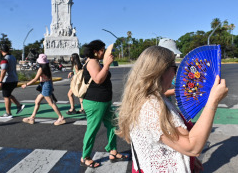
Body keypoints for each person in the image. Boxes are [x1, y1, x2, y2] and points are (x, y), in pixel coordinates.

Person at [117, 46, 228, 173]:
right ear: (161, 71)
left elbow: (173, 143)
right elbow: (192, 147)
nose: (176, 75)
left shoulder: (151, 97)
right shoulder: (151, 106)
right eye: (174, 69)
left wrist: (187, 159)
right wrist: (212, 101)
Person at [80, 40, 128, 168]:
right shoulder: (92, 62)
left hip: (104, 101)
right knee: (93, 129)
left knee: (113, 124)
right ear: (95, 52)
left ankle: (112, 150)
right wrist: (106, 64)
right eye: (102, 49)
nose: (104, 52)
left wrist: (105, 64)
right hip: (95, 102)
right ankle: (86, 156)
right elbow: (98, 79)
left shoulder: (97, 62)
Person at [21, 54, 66, 126]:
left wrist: (26, 84)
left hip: (45, 86)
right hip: (47, 85)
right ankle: (32, 118)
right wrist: (51, 86)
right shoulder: (48, 68)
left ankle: (61, 118)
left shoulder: (41, 69)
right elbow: (50, 78)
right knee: (37, 101)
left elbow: (35, 79)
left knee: (51, 103)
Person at [0, 44, 25, 118]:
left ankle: (8, 113)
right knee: (8, 94)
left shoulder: (5, 59)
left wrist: (0, 81)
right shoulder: (12, 57)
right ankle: (19, 105)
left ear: (1, 51)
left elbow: (3, 70)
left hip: (8, 80)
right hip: (14, 79)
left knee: (6, 96)